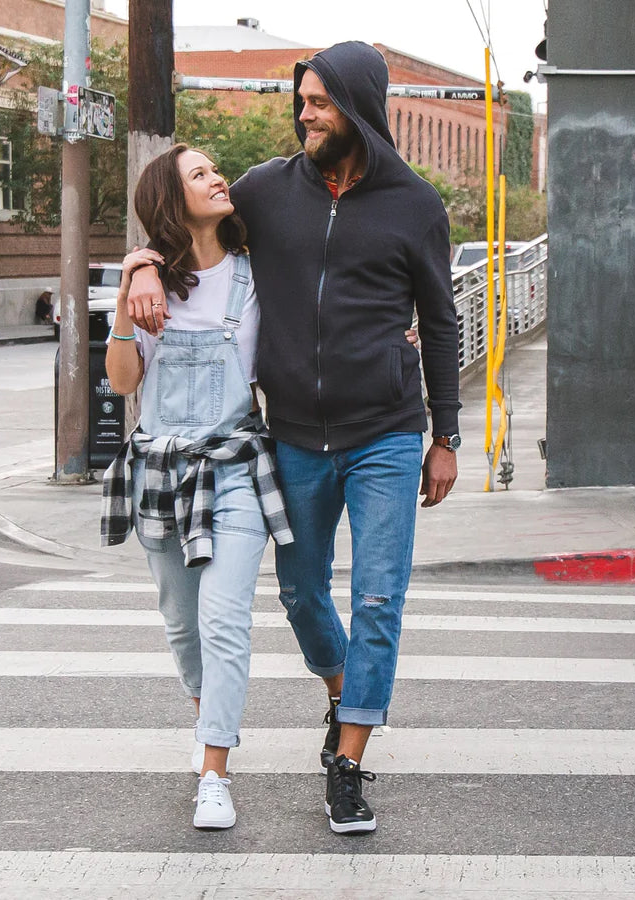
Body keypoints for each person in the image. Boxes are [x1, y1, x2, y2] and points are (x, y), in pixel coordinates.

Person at [128, 42, 461, 835]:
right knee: (303, 593)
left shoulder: (415, 205)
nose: (303, 115)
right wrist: (142, 263)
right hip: (292, 437)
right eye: (300, 101)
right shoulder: (265, 191)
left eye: (318, 103)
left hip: (384, 431)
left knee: (377, 598)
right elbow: (184, 228)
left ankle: (346, 763)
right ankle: (344, 696)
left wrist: (445, 434)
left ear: (358, 107)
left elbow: (443, 323)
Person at [100, 145, 293, 831]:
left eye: (214, 170)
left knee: (223, 621)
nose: (217, 179)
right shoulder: (149, 282)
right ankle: (204, 721)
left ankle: (214, 770)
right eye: (200, 174)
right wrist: (131, 284)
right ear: (169, 199)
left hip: (235, 467)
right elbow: (123, 383)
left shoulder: (254, 276)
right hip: (159, 470)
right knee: (183, 628)